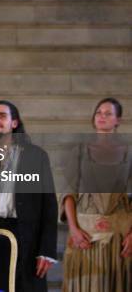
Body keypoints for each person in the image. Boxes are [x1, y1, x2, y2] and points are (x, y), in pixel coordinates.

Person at [0, 100, 58, 292]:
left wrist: (46, 250)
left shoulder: (36, 156)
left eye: (2, 116)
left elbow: (49, 205)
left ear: (14, 123)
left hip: (26, 235)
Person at [60, 98, 131, 292]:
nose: (102, 116)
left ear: (118, 120)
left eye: (108, 113)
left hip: (120, 233)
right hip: (85, 232)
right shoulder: (79, 151)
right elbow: (68, 194)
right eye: (99, 112)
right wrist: (73, 229)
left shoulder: (129, 152)